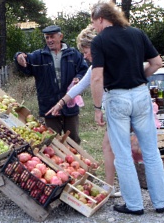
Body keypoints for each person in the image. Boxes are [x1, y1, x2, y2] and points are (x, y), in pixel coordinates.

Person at [90, 1, 164, 215]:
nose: (94, 29)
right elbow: (157, 63)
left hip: (117, 98)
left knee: (123, 154)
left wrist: (97, 108)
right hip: (141, 94)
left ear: (101, 19)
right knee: (151, 150)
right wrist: (138, 77)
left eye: (94, 24)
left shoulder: (100, 41)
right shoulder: (137, 33)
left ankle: (134, 205)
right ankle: (161, 202)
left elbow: (97, 77)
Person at [45, 26, 120, 196]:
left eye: (86, 51)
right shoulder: (96, 65)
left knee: (117, 148)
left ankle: (125, 192)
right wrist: (60, 104)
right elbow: (80, 86)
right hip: (116, 110)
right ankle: (110, 187)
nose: (84, 56)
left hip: (123, 109)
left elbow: (95, 83)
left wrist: (97, 109)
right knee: (109, 146)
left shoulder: (112, 61)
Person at [14, 25, 88, 144]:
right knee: (53, 141)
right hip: (49, 105)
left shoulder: (73, 54)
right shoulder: (39, 56)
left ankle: (77, 161)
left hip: (69, 104)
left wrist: (78, 78)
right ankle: (58, 162)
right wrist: (18, 57)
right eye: (47, 37)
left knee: (73, 139)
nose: (49, 40)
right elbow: (25, 62)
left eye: (52, 37)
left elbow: (84, 70)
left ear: (60, 36)